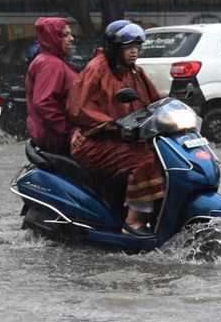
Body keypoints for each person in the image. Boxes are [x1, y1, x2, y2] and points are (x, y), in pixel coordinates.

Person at [66, 21, 163, 237]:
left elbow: (153, 103)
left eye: (137, 47)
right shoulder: (97, 70)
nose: (134, 52)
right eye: (129, 48)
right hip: (94, 141)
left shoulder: (134, 72)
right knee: (144, 160)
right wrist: (114, 125)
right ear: (115, 48)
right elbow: (79, 108)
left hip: (124, 138)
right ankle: (133, 220)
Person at [25, 17, 77, 155]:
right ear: (53, 38)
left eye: (70, 34)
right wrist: (68, 130)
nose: (71, 39)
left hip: (55, 136)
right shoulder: (50, 64)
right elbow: (44, 103)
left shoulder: (54, 61)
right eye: (65, 35)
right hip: (57, 138)